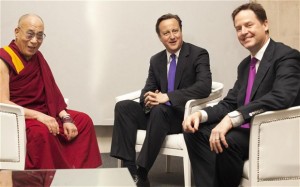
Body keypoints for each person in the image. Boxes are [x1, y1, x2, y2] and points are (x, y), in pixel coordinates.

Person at [182, 2, 300, 187]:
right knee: (194, 132)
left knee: (227, 140)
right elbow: (229, 102)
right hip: (246, 131)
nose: (243, 32)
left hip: (270, 133)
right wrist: (200, 114)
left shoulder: (286, 56)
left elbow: (282, 96)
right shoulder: (245, 65)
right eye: (238, 28)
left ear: (265, 24)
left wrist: (232, 119)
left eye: (249, 25)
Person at [110, 13, 212, 186]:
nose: (172, 36)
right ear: (160, 37)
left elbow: (204, 86)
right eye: (166, 33)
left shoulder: (198, 54)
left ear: (181, 30)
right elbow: (148, 88)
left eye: (175, 30)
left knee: (160, 109)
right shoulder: (156, 60)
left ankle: (142, 172)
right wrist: (148, 99)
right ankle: (129, 169)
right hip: (158, 115)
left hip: (181, 116)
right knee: (123, 107)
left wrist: (168, 97)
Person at [0, 13, 102, 169]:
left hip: (45, 112)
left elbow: (52, 93)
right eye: (30, 34)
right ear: (16, 32)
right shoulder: (4, 59)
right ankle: (48, 177)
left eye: (40, 36)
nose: (34, 41)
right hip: (20, 117)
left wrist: (66, 118)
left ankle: (81, 176)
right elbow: (3, 102)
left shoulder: (37, 57)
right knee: (42, 132)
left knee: (83, 121)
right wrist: (39, 116)